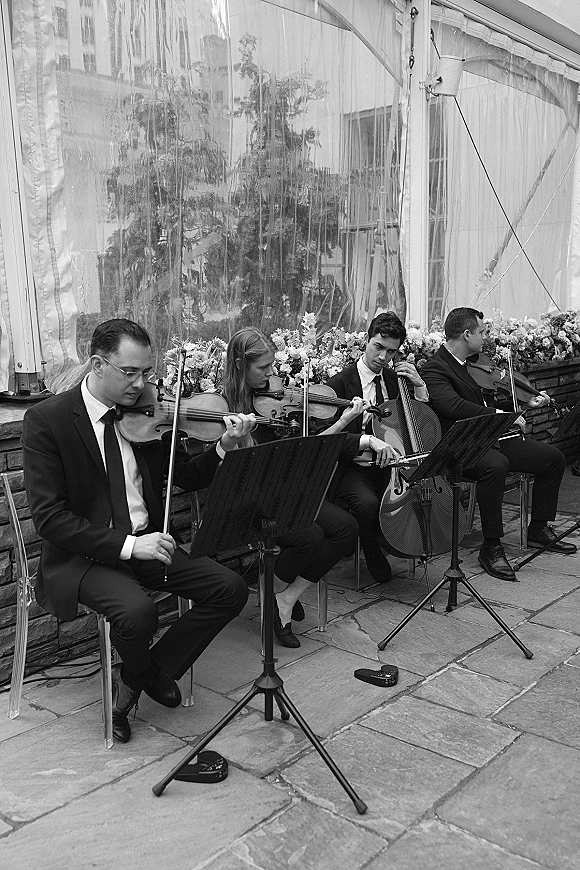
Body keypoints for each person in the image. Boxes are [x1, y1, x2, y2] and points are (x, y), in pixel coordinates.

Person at [21, 319, 255, 744]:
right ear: (97, 364)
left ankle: (136, 677)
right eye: (129, 372)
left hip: (149, 540)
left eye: (146, 372)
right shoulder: (47, 420)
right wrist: (131, 545)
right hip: (84, 557)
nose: (140, 384)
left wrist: (224, 447)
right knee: (138, 612)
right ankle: (143, 679)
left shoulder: (147, 413)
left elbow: (183, 476)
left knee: (230, 588)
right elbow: (50, 519)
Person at [222, 327, 359, 648]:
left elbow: (306, 451)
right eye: (264, 368)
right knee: (308, 537)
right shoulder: (222, 406)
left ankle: (284, 597)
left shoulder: (275, 399)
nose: (272, 374)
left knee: (346, 527)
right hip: (249, 501)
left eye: (272, 365)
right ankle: (272, 590)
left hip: (284, 492)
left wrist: (341, 422)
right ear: (241, 365)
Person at [421, 307, 577, 580]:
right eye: (482, 332)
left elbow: (486, 400)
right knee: (496, 466)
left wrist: (523, 405)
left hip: (489, 438)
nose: (486, 337)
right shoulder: (435, 368)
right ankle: (491, 546)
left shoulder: (471, 363)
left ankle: (538, 528)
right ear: (466, 334)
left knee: (553, 458)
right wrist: (501, 416)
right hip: (459, 447)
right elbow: (452, 406)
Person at [325, 312, 430, 583]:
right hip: (353, 465)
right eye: (378, 347)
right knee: (368, 503)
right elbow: (327, 439)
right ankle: (372, 549)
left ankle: (403, 542)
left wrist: (419, 387)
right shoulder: (339, 384)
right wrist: (366, 440)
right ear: (366, 341)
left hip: (392, 465)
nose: (383, 357)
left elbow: (417, 423)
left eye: (391, 352)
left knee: (414, 494)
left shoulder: (395, 380)